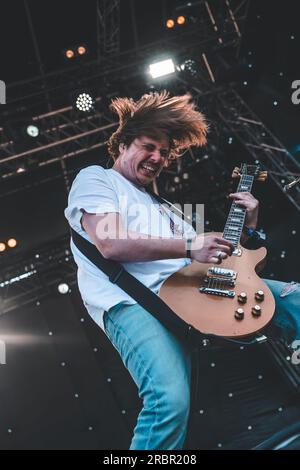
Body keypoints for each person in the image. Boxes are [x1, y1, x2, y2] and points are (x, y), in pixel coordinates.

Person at [65, 91, 300, 450]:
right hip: (133, 304)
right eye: (148, 147)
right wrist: (191, 245)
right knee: (168, 402)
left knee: (296, 300)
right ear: (124, 143)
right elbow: (110, 243)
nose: (157, 158)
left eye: (164, 152)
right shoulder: (97, 179)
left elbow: (219, 257)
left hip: (193, 291)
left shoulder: (168, 208)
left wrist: (249, 227)